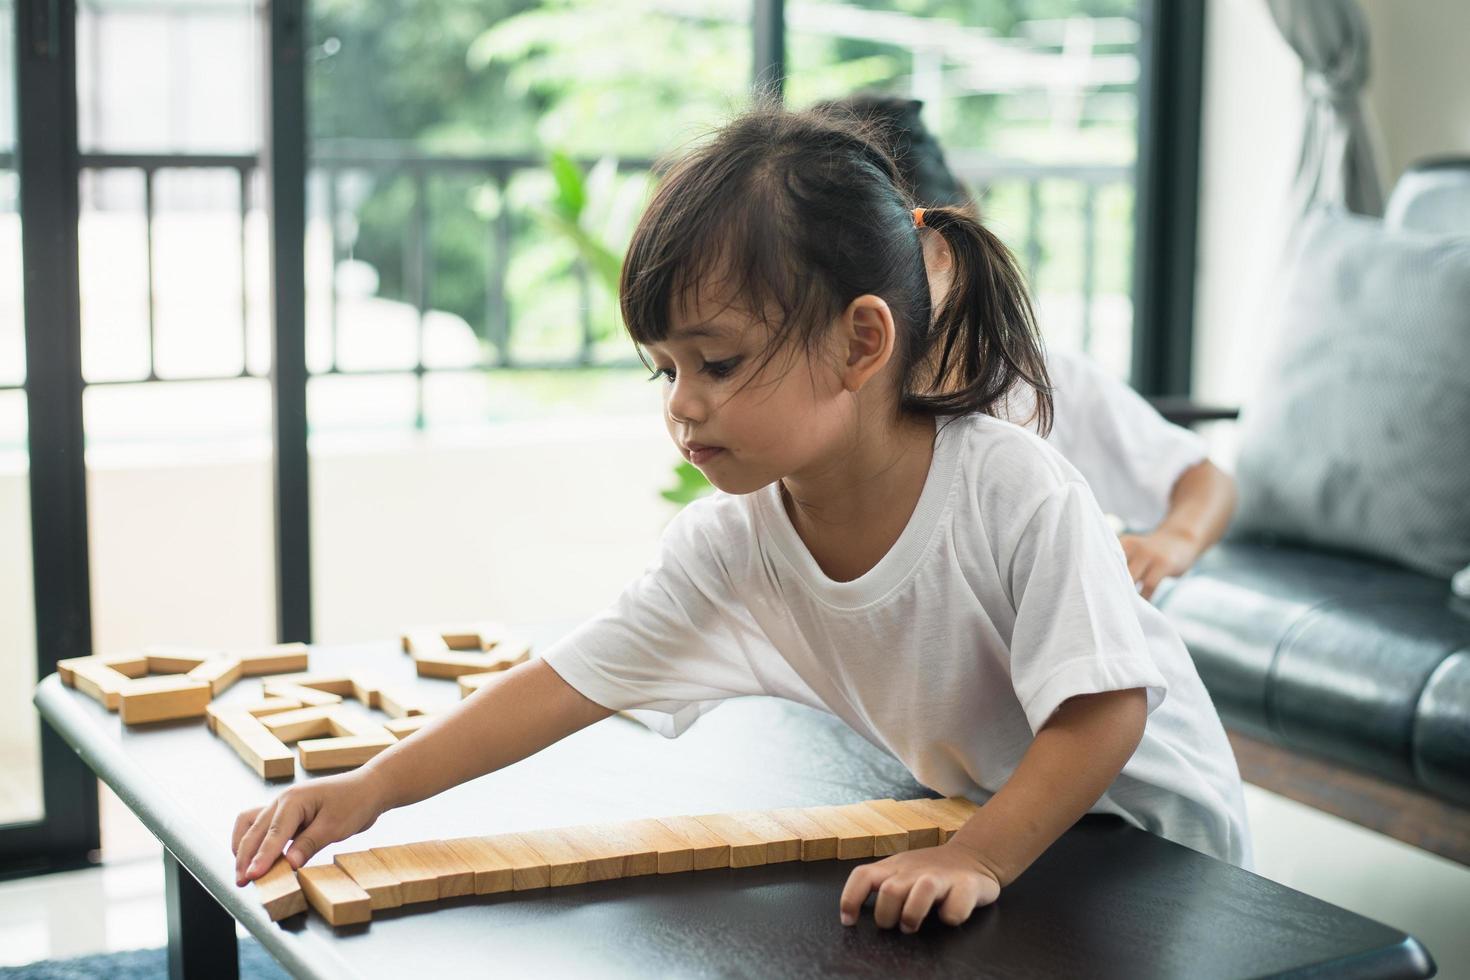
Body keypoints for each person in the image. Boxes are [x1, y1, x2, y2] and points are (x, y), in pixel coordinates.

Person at [233, 102, 1251, 933]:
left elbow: (1107, 709)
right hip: (999, 830)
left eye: (716, 363)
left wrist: (976, 852)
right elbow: (568, 679)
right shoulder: (734, 542)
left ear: (860, 343)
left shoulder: (1013, 487)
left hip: (1154, 844)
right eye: (666, 368)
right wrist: (367, 789)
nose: (682, 402)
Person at [819, 94, 1238, 600]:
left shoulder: (1038, 379)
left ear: (952, 241)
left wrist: (1172, 542)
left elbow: (1202, 477)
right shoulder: (819, 411)